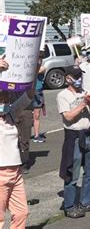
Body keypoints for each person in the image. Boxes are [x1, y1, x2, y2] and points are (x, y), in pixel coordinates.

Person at [57, 65, 90, 218]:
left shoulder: (85, 92)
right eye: (75, 77)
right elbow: (68, 117)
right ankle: (69, 205)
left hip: (88, 134)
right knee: (72, 172)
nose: (78, 79)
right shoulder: (63, 95)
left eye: (80, 76)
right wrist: (83, 103)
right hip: (74, 136)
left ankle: (86, 201)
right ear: (68, 78)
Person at [0, 57, 35, 228]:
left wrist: (32, 71)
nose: (6, 101)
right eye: (2, 98)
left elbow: (29, 95)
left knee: (22, 212)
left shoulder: (11, 115)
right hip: (0, 173)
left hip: (15, 170)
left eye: (7, 99)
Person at [32, 55, 46, 143]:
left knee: (36, 115)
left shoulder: (43, 68)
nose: (39, 61)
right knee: (24, 114)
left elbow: (38, 71)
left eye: (40, 59)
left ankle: (36, 136)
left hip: (38, 91)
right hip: (28, 91)